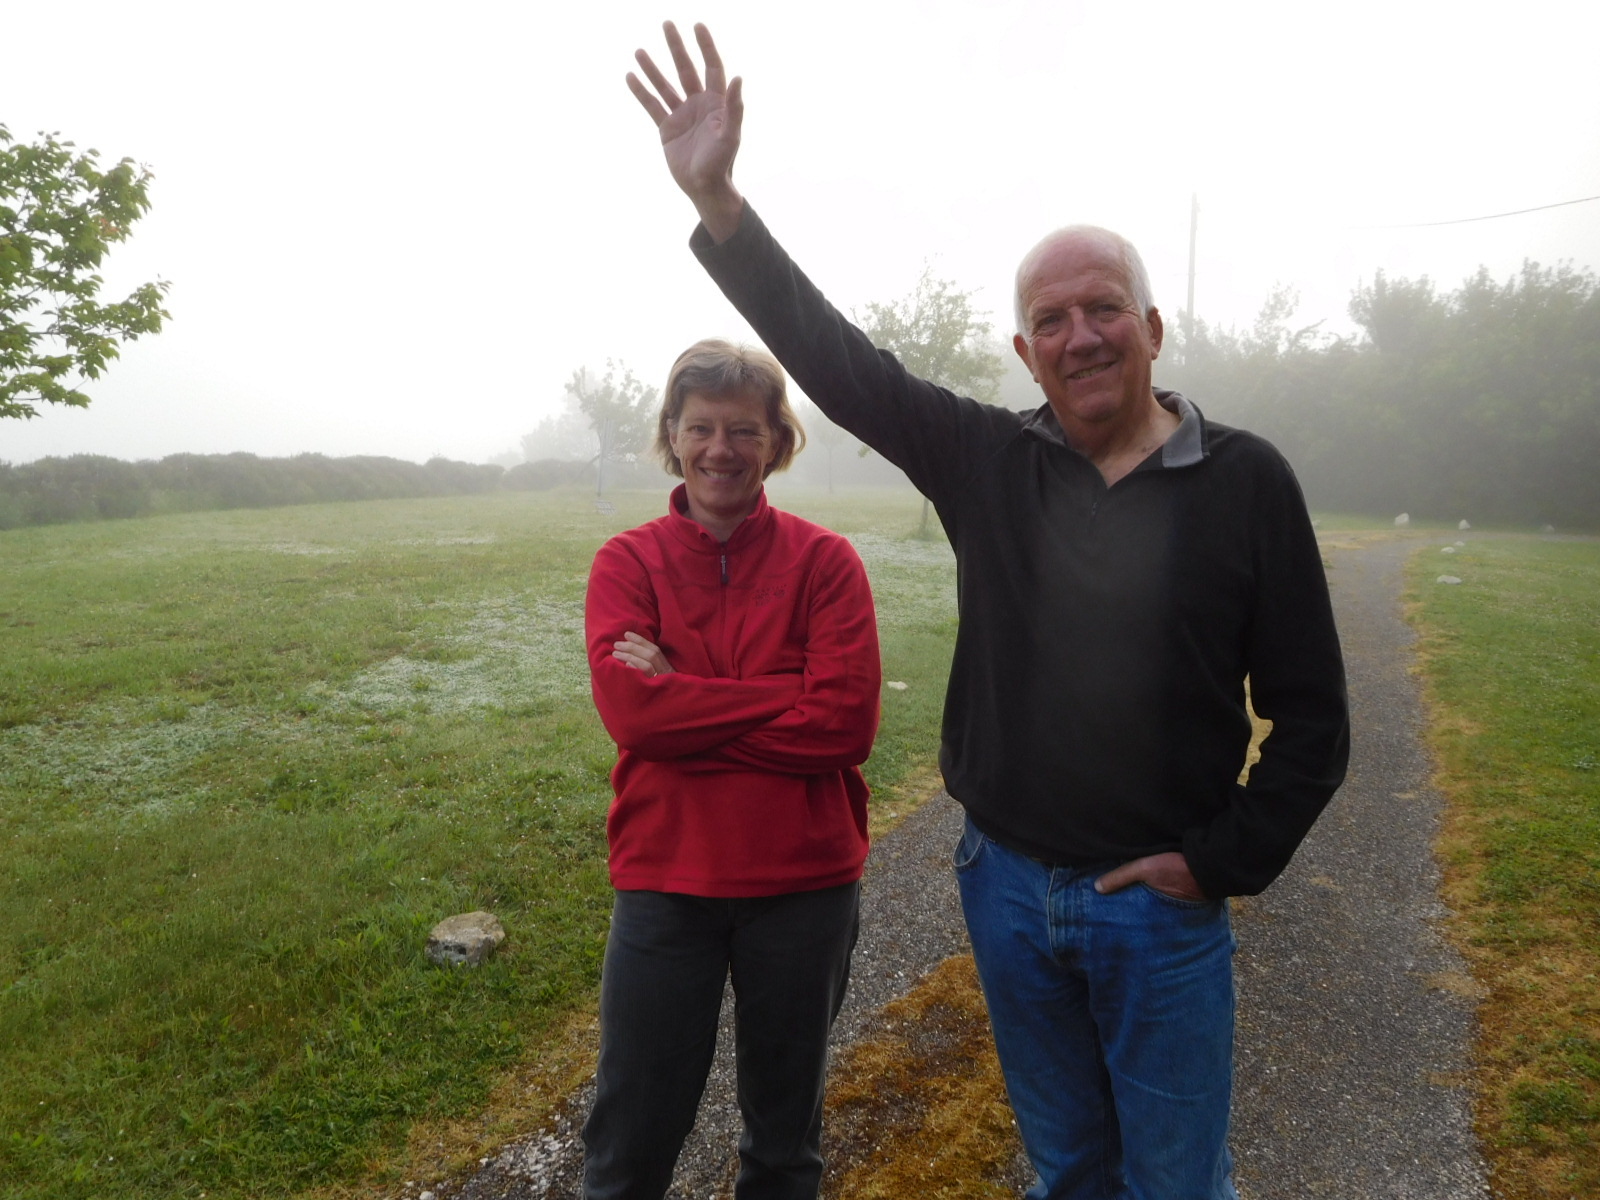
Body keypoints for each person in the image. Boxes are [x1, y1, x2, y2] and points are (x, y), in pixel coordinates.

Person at [625, 24, 1350, 1200]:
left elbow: (1313, 718)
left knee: (1177, 1184)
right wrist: (719, 205)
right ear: (1024, 349)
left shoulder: (1245, 481)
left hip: (1158, 913)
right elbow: (840, 365)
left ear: (1151, 328)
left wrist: (1220, 861)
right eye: (1051, 321)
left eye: (1102, 308)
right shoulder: (987, 463)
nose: (1080, 336)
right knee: (1064, 1171)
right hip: (1006, 889)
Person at [582, 337, 881, 1200]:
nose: (722, 449)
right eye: (702, 427)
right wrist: (779, 693)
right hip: (666, 880)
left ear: (777, 441)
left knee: (784, 1144)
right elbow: (635, 715)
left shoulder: (826, 563)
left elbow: (843, 727)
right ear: (673, 435)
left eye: (745, 430)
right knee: (631, 1136)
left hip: (805, 885)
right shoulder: (626, 562)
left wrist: (686, 695)